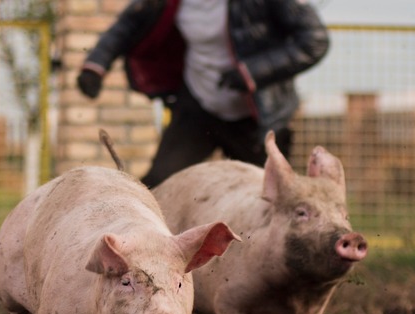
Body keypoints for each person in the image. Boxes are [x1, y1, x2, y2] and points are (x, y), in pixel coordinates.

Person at [76, 0, 330, 188]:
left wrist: (251, 73)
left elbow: (314, 40)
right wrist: (95, 66)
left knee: (270, 197)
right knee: (160, 184)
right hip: (198, 106)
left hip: (257, 116)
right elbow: (127, 24)